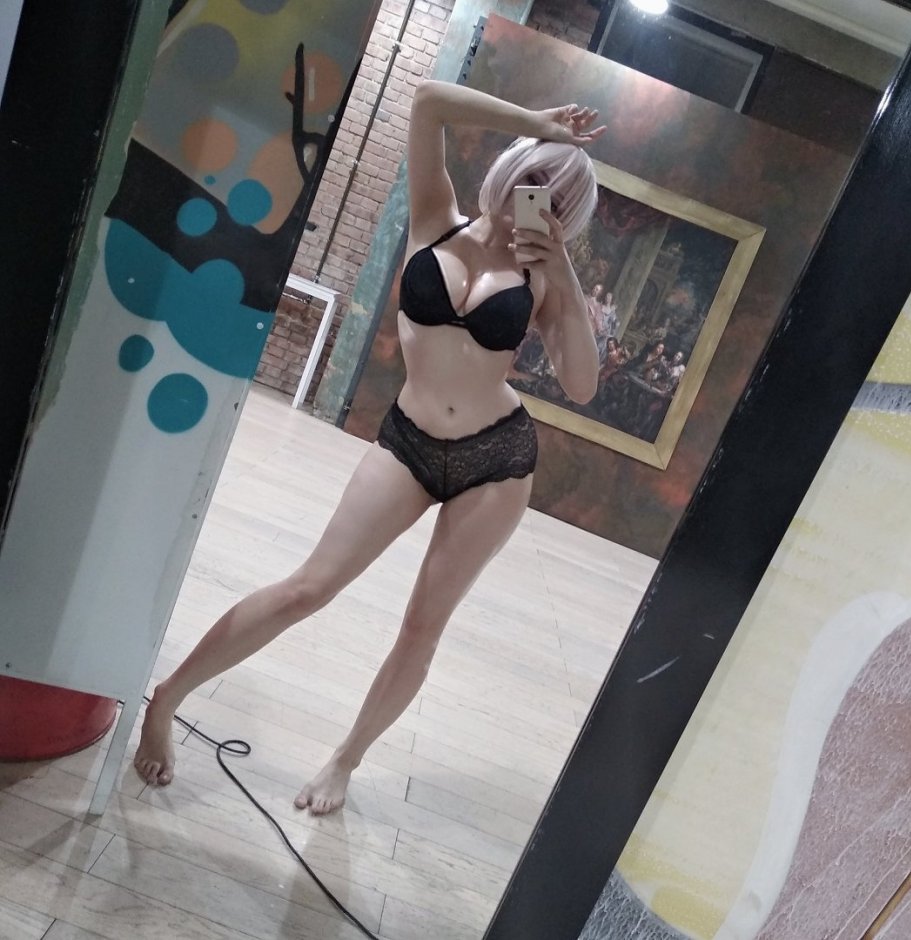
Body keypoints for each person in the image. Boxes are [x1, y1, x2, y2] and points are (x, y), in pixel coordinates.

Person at [133, 79, 605, 814]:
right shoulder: (436, 217)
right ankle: (167, 699)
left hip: (496, 462)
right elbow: (427, 100)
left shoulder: (543, 278)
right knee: (308, 587)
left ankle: (345, 761)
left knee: (422, 625)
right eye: (537, 176)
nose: (543, 198)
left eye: (562, 198)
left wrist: (565, 271)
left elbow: (580, 385)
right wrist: (535, 120)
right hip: (410, 441)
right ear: (512, 166)